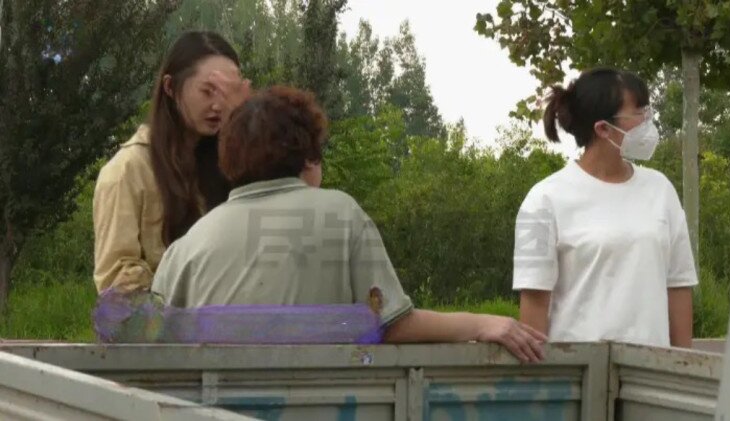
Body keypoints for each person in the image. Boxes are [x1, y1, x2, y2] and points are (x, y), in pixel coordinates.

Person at [151, 86, 547, 362]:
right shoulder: (339, 212)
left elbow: (154, 346)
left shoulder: (187, 245)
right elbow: (393, 324)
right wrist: (484, 322)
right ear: (308, 157)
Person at [513, 68, 697, 348]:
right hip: (579, 370)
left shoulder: (661, 190)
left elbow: (679, 286)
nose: (647, 121)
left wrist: (685, 367)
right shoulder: (542, 201)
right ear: (603, 129)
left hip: (653, 371)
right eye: (638, 113)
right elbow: (534, 310)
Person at [93, 31, 252, 293]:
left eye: (227, 93)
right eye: (207, 91)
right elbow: (117, 285)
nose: (218, 105)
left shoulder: (234, 163)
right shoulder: (128, 171)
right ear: (170, 87)